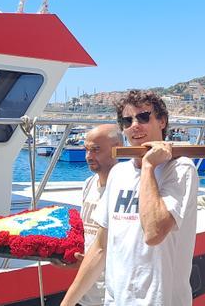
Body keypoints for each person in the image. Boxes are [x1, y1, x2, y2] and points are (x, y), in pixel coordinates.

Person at [60, 90, 199, 306]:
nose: (134, 125)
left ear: (162, 121)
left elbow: (154, 233)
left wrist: (148, 165)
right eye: (127, 120)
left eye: (143, 117)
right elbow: (100, 248)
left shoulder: (180, 169)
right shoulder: (118, 173)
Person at [73, 125, 123, 306]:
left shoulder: (126, 189)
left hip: (111, 296)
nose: (88, 156)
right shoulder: (88, 184)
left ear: (117, 148)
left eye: (95, 150)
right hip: (86, 293)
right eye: (86, 149)